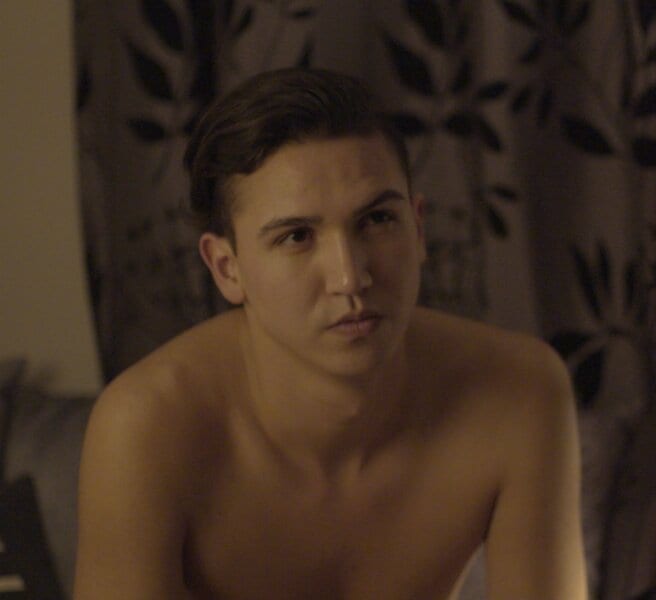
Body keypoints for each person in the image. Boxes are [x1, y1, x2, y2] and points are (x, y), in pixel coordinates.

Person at [73, 68, 587, 600]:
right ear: (227, 267)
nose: (350, 277)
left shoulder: (518, 390)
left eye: (377, 220)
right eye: (296, 236)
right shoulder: (147, 425)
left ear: (418, 228)